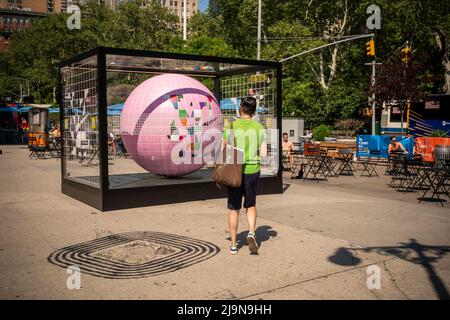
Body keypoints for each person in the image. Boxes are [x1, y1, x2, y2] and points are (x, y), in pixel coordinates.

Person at [222, 96, 267, 255]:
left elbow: (224, 148)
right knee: (251, 204)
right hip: (252, 170)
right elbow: (263, 154)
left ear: (241, 108)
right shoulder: (260, 128)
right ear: (254, 111)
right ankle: (251, 232)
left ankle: (234, 245)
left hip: (234, 172)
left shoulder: (232, 126)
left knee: (234, 208)